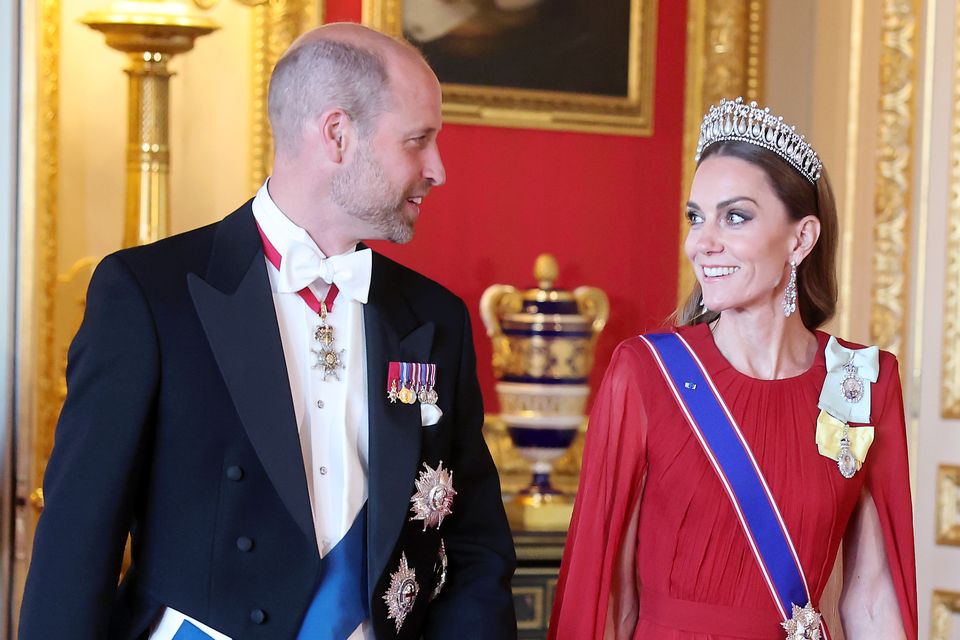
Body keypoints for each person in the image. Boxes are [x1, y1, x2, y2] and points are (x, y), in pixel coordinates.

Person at [20, 23, 516, 640]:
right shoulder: (150, 295)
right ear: (337, 135)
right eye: (418, 141)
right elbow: (76, 544)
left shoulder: (434, 316)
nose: (437, 169)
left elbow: (473, 547)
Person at [549, 98, 917, 639]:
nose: (702, 243)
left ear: (800, 239)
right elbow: (613, 597)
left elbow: (872, 597)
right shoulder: (647, 372)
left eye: (735, 217)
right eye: (696, 217)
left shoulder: (859, 378)